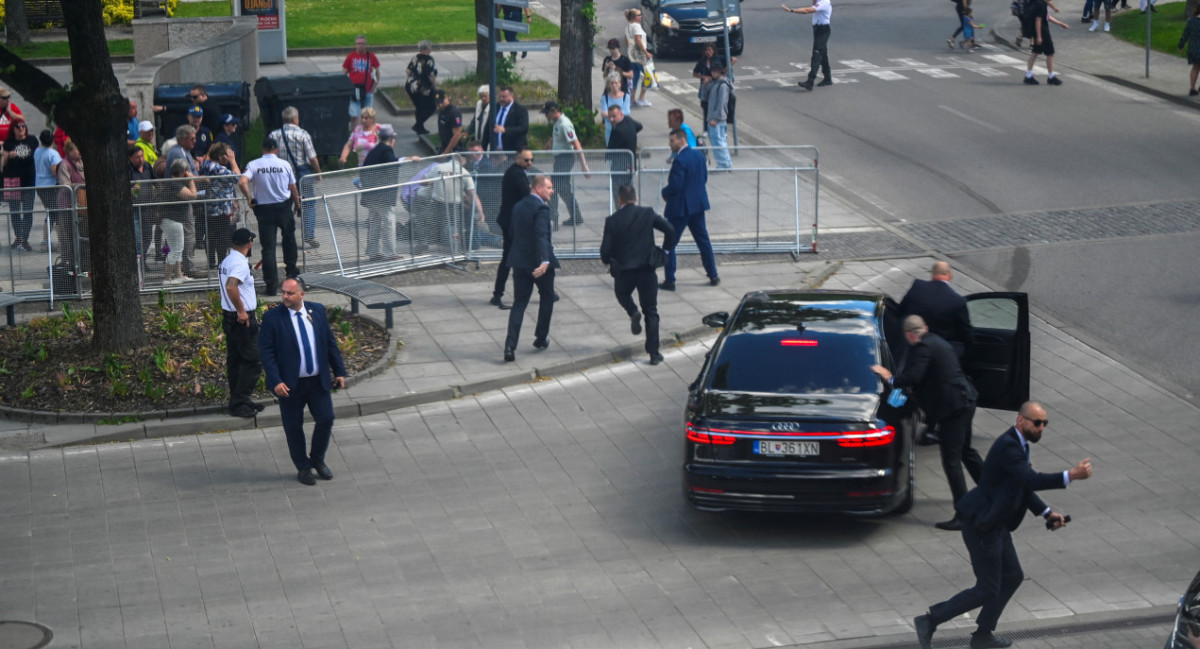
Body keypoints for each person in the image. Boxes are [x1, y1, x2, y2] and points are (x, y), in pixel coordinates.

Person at [914, 401, 1093, 649]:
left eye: (1044, 424)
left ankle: (982, 635)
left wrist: (1047, 513)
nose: (1041, 428)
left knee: (1012, 576)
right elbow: (1031, 479)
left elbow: (1022, 485)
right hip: (982, 525)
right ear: (1021, 421)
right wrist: (1070, 475)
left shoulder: (1019, 446)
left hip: (996, 525)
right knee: (987, 588)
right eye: (1037, 423)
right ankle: (929, 620)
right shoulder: (1008, 447)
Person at [871, 315, 982, 531]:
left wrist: (890, 378)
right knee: (966, 451)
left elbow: (913, 376)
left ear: (909, 335)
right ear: (925, 328)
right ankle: (993, 490)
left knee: (951, 460)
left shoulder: (923, 348)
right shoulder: (937, 341)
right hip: (965, 401)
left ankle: (964, 514)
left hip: (954, 410)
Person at [258, 277, 347, 486]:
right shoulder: (273, 318)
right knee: (293, 427)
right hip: (290, 385)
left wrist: (339, 371)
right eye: (284, 293)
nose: (285, 297)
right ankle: (303, 467)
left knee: (326, 418)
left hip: (317, 382)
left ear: (302, 295)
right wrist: (276, 380)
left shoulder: (316, 311)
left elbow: (329, 343)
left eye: (290, 293)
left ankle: (317, 459)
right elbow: (267, 353)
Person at [600, 184, 674, 365]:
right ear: (636, 198)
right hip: (646, 268)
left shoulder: (612, 220)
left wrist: (610, 260)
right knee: (651, 311)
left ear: (619, 200)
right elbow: (670, 230)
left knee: (622, 294)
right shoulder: (647, 213)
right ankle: (654, 353)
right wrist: (664, 251)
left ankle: (632, 311)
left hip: (624, 271)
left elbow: (604, 251)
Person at [503, 175, 558, 362]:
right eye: (549, 187)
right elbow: (541, 235)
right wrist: (544, 261)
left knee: (519, 303)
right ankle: (541, 337)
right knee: (548, 297)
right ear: (538, 189)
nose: (552, 191)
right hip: (538, 262)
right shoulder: (541, 208)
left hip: (519, 261)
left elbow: (512, 233)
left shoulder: (518, 206)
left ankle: (510, 346)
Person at [238, 137, 301, 296]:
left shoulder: (254, 164)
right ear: (276, 150)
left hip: (264, 209)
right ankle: (292, 275)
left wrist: (249, 198)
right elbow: (292, 186)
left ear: (262, 149)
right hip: (283, 207)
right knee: (289, 241)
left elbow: (242, 182)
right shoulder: (284, 164)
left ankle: (271, 285)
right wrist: (298, 204)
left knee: (268, 248)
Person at [660, 128, 717, 290]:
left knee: (670, 243)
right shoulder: (698, 155)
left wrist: (665, 193)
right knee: (703, 241)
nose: (670, 144)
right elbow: (704, 178)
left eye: (672, 141)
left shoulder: (680, 160)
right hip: (697, 205)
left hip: (681, 208)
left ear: (682, 140)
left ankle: (670, 280)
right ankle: (713, 274)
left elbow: (676, 185)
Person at [219, 228, 263, 418]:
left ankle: (240, 400)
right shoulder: (239, 263)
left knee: (236, 361)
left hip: (229, 317)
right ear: (249, 243)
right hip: (241, 318)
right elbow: (231, 286)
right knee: (254, 361)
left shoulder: (228, 260)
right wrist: (242, 311)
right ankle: (239, 402)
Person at [360, 124, 417, 261]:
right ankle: (390, 253)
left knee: (375, 221)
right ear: (392, 138)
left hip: (370, 193)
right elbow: (392, 162)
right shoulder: (386, 150)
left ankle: (373, 252)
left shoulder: (375, 150)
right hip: (381, 195)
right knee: (389, 221)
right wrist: (409, 158)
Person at [268, 106, 322, 248]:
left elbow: (269, 156)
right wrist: (318, 173)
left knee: (285, 206)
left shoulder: (274, 135)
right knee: (309, 204)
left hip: (281, 177)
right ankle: (309, 235)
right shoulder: (303, 135)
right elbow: (312, 158)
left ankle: (287, 234)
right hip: (301, 176)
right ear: (295, 119)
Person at [899, 261, 973, 358]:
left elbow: (900, 311)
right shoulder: (958, 301)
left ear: (933, 274)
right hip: (938, 352)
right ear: (950, 275)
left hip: (908, 345)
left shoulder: (917, 285)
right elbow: (965, 332)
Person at [490, 149, 533, 310]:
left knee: (512, 257)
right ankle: (498, 294)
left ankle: (498, 293)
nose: (530, 163)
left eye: (531, 160)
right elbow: (527, 194)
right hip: (512, 222)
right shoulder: (517, 174)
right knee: (512, 258)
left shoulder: (515, 171)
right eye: (526, 160)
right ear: (518, 159)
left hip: (511, 221)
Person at [542, 101, 590, 228]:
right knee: (562, 189)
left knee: (556, 188)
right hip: (560, 159)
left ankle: (555, 218)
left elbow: (576, 144)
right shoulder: (557, 122)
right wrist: (550, 142)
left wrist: (584, 166)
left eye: (547, 113)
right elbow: (558, 135)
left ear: (554, 111)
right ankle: (574, 216)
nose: (546, 116)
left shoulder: (565, 124)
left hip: (565, 159)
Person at [164, 124, 203, 278]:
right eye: (191, 138)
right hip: (179, 198)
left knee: (185, 234)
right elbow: (185, 176)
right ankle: (188, 268)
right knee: (186, 235)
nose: (195, 141)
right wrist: (201, 179)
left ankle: (182, 270)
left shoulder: (184, 151)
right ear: (181, 139)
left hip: (183, 196)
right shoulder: (177, 153)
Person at [199, 142, 242, 269]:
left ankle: (212, 262)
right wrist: (233, 161)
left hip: (211, 207)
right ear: (220, 156)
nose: (228, 157)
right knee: (222, 236)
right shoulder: (217, 168)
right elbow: (237, 178)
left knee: (211, 235)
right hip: (220, 208)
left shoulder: (206, 164)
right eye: (227, 155)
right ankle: (222, 262)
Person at [161, 158, 198, 285]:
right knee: (176, 249)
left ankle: (179, 274)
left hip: (174, 221)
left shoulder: (173, 183)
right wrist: (191, 180)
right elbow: (193, 195)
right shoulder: (174, 184)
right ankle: (167, 278)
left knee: (177, 248)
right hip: (172, 221)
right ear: (183, 172)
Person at [2, 121, 38, 252]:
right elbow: (4, 158)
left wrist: (14, 153)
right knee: (15, 212)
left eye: (23, 126)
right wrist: (8, 155)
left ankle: (24, 238)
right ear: (13, 129)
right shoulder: (9, 142)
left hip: (28, 181)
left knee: (28, 211)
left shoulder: (32, 140)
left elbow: (29, 153)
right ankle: (18, 236)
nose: (21, 129)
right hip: (12, 180)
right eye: (18, 127)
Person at [783, 0, 834, 91]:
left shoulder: (824, 2)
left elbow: (807, 10)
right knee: (823, 55)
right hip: (818, 29)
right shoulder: (819, 1)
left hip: (823, 30)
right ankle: (828, 78)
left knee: (816, 55)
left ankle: (810, 81)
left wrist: (792, 10)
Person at [55, 141, 86, 270]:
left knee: (83, 235)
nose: (79, 151)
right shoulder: (64, 165)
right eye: (76, 149)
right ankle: (70, 264)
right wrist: (81, 185)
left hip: (82, 206)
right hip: (67, 206)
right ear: (69, 151)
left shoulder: (83, 163)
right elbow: (65, 186)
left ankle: (84, 263)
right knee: (69, 236)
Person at [1024, 0, 1069, 86]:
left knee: (1035, 52)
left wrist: (1060, 23)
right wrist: (1039, 36)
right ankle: (1051, 77)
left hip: (1036, 31)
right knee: (1050, 53)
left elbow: (1047, 17)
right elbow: (1038, 20)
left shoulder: (1035, 2)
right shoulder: (1041, 4)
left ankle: (1028, 75)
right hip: (1042, 32)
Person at [343, 35, 382, 130]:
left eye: (362, 43)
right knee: (354, 116)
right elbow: (344, 74)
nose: (360, 46)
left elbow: (377, 73)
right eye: (358, 44)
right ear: (355, 45)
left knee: (368, 116)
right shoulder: (350, 57)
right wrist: (347, 87)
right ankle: (355, 136)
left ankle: (367, 135)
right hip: (354, 91)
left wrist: (374, 87)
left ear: (366, 45)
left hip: (368, 91)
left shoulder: (371, 56)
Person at [606, 105, 641, 205]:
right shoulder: (629, 121)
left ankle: (620, 211)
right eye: (609, 116)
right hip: (631, 163)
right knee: (629, 190)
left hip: (620, 164)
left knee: (618, 191)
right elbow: (639, 126)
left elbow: (611, 149)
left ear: (621, 114)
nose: (611, 119)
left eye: (614, 116)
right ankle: (630, 210)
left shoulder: (618, 131)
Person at [128, 143, 157, 264]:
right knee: (137, 238)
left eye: (142, 156)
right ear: (130, 158)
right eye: (137, 157)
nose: (141, 159)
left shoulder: (147, 166)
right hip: (134, 209)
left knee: (148, 236)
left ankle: (143, 260)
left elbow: (156, 182)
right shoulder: (127, 169)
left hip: (147, 208)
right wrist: (133, 190)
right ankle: (137, 264)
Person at [34, 130, 62, 250]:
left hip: (39, 185)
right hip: (50, 186)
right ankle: (62, 241)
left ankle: (46, 241)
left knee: (51, 212)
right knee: (57, 214)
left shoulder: (37, 151)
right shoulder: (53, 153)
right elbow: (54, 170)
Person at [693, 44, 734, 125]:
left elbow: (733, 59)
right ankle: (706, 129)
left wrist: (726, 70)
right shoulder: (702, 61)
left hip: (716, 85)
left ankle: (718, 122)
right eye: (706, 50)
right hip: (706, 86)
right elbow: (695, 73)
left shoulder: (718, 58)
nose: (708, 52)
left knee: (718, 104)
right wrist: (704, 77)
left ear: (714, 50)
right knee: (706, 107)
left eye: (710, 50)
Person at [704, 64, 733, 170]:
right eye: (712, 71)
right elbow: (705, 97)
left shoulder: (723, 85)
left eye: (715, 71)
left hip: (717, 119)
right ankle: (726, 163)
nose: (713, 73)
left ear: (721, 72)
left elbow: (721, 104)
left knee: (718, 142)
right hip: (714, 118)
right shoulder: (714, 83)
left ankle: (723, 164)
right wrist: (706, 85)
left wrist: (715, 119)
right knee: (720, 141)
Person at [405, 41, 438, 135]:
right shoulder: (429, 59)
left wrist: (413, 80)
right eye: (430, 47)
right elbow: (430, 75)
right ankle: (418, 124)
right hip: (423, 88)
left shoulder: (415, 57)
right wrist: (435, 86)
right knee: (431, 106)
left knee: (419, 107)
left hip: (411, 87)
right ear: (427, 49)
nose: (431, 48)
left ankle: (419, 127)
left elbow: (408, 71)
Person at [624, 8, 654, 106]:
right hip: (640, 56)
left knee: (635, 78)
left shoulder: (628, 26)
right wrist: (646, 53)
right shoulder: (636, 26)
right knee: (649, 75)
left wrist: (630, 49)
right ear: (634, 17)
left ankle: (632, 99)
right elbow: (638, 40)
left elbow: (626, 40)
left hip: (632, 56)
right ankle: (641, 97)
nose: (641, 16)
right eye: (639, 15)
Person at [489, 85, 529, 154]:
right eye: (500, 97)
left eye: (504, 97)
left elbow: (524, 128)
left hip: (512, 150)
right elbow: (488, 127)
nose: (501, 99)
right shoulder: (495, 108)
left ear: (512, 97)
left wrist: (505, 130)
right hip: (496, 151)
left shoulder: (520, 110)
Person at [600, 73, 631, 143]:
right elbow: (603, 114)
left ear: (619, 84)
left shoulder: (626, 97)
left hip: (622, 130)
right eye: (612, 83)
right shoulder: (605, 98)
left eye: (616, 83)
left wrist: (610, 115)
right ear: (609, 85)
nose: (614, 85)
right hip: (609, 130)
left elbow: (626, 112)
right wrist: (617, 115)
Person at [434, 89, 464, 155]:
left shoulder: (454, 113)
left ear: (446, 98)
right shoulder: (442, 111)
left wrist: (446, 152)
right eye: (438, 103)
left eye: (441, 102)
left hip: (453, 149)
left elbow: (457, 134)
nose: (440, 105)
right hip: (444, 146)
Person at [1179, 3, 1200, 97]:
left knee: (1195, 68)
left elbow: (1185, 34)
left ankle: (1192, 88)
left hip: (1194, 49)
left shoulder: (1191, 20)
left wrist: (1181, 45)